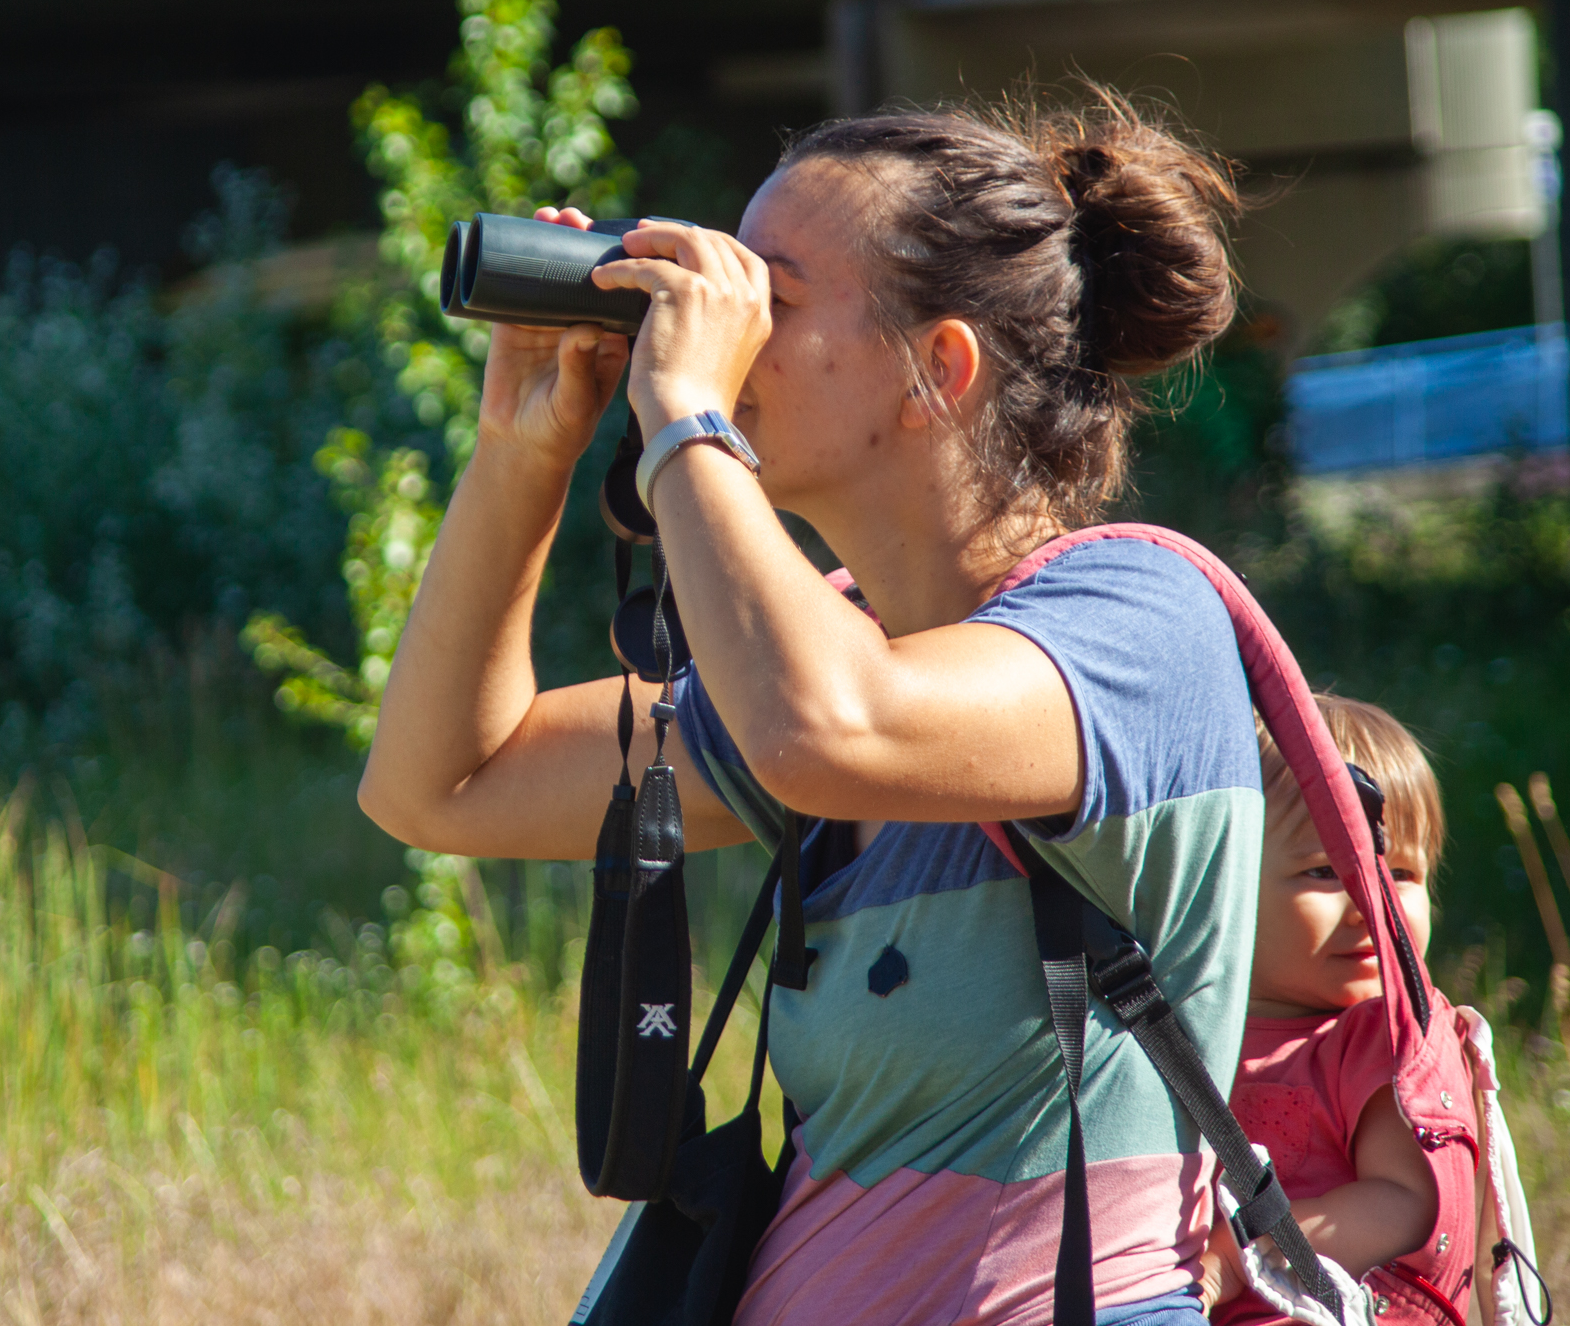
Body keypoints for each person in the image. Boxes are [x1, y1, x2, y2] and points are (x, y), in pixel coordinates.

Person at [360, 93, 1257, 1326]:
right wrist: (522, 452)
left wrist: (686, 413)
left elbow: (828, 729)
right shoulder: (828, 656)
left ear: (938, 370)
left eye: (764, 300)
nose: (718, 334)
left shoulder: (1137, 625)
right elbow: (441, 786)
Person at [1207, 695, 1445, 1323]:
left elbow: (1403, 1202)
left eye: (1401, 874)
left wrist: (1233, 1258)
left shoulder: (1377, 1039)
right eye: (1323, 872)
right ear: (1224, 880)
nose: (1371, 904)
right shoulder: (1188, 1025)